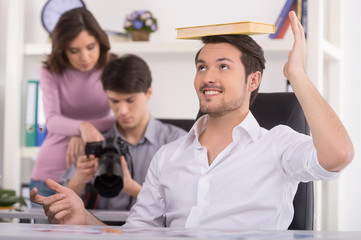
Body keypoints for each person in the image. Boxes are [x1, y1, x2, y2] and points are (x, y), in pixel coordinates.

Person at [30, 11, 354, 229]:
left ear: (253, 80)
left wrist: (297, 74)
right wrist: (84, 218)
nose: (208, 77)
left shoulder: (277, 144)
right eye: (202, 67)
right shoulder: (169, 156)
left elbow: (338, 156)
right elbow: (136, 235)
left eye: (223, 66)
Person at [61, 54, 187, 211]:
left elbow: (184, 208)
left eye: (130, 100)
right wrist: (79, 178)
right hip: (101, 231)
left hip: (155, 233)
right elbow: (63, 205)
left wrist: (131, 188)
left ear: (148, 93)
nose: (122, 111)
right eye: (114, 101)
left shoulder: (177, 141)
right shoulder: (95, 141)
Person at [29, 7, 116, 206]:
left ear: (100, 42)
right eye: (74, 51)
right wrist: (82, 127)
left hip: (97, 176)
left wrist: (83, 131)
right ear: (63, 49)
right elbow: (52, 120)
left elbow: (123, 119)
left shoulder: (113, 67)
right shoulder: (50, 70)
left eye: (91, 47)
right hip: (51, 175)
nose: (85, 57)